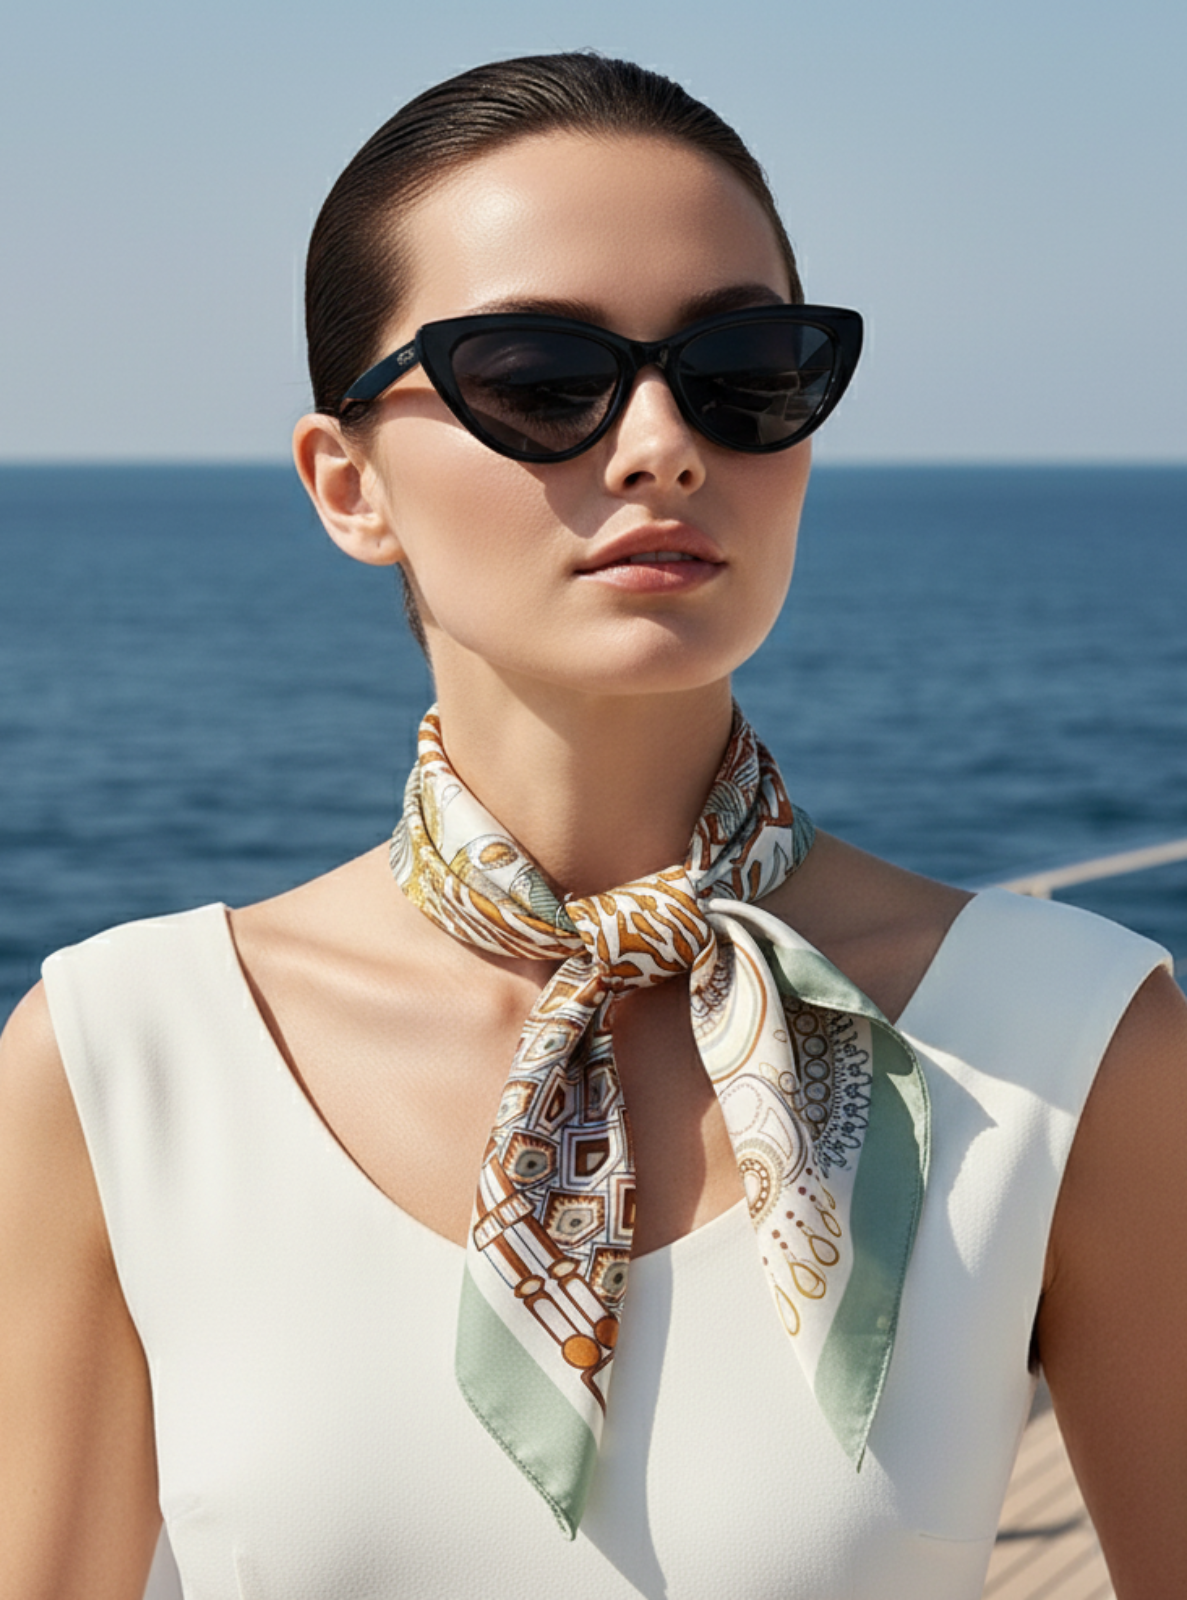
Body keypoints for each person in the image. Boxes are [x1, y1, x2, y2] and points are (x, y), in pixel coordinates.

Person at [0, 52, 1184, 1600]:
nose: (659, 445)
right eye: (540, 380)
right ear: (346, 485)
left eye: (745, 367)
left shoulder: (1068, 1042)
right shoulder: (124, 1062)